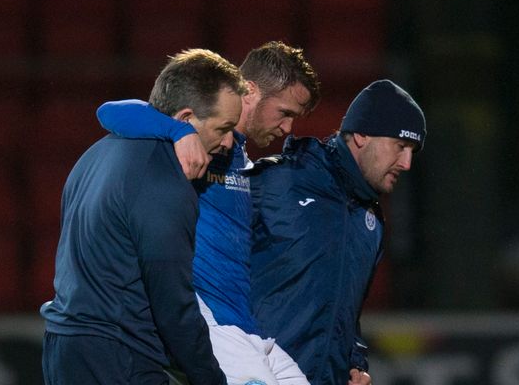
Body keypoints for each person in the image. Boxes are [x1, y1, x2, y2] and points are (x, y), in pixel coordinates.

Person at [97, 41, 321, 385]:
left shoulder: (240, 156)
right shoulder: (197, 141)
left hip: (248, 327)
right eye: (285, 112)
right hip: (211, 324)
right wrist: (179, 132)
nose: (288, 128)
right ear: (250, 91)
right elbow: (109, 112)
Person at [39, 48, 246, 385]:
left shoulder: (94, 155)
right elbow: (173, 303)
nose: (228, 142)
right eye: (223, 128)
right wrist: (209, 378)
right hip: (116, 356)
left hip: (63, 347)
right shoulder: (164, 179)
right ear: (185, 119)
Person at [249, 79, 427, 385]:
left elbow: (345, 313)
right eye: (400, 146)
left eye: (412, 151)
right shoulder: (279, 181)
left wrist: (355, 362)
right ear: (361, 135)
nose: (407, 163)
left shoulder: (371, 220)